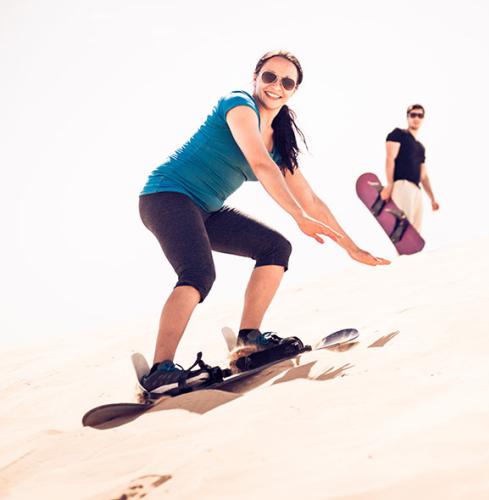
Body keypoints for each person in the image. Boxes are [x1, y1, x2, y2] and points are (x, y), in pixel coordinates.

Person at [138, 50, 389, 393]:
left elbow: (311, 199)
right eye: (270, 77)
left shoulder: (281, 142)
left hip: (207, 210)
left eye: (287, 82)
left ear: (294, 91)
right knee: (198, 273)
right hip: (167, 196)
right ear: (255, 78)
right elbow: (259, 164)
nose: (276, 86)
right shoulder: (239, 104)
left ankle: (250, 342)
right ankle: (160, 370)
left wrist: (351, 247)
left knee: (275, 247)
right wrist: (297, 216)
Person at [380, 104, 439, 232]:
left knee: (414, 235)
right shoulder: (398, 134)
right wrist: (389, 185)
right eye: (413, 115)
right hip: (402, 186)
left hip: (417, 191)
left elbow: (423, 176)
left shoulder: (420, 147)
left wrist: (432, 198)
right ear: (408, 117)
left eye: (420, 115)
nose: (416, 118)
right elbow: (390, 158)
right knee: (403, 229)